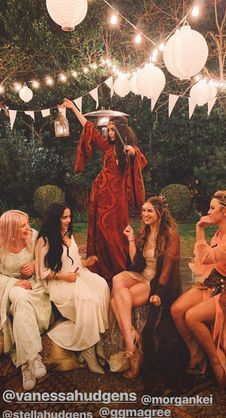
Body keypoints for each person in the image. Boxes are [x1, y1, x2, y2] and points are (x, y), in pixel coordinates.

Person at [60, 98, 147, 282]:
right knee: (99, 230)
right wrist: (73, 108)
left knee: (115, 232)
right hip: (100, 194)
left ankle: (118, 267)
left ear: (122, 131)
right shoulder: (107, 146)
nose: (110, 131)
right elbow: (89, 128)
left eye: (113, 129)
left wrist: (132, 152)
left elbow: (141, 161)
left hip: (117, 198)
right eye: (109, 128)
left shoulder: (127, 150)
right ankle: (100, 265)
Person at [111, 195, 182, 378]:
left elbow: (166, 270)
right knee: (118, 280)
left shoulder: (170, 235)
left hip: (155, 281)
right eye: (143, 210)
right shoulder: (145, 231)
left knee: (114, 302)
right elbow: (137, 262)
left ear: (160, 212)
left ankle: (133, 351)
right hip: (142, 276)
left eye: (149, 210)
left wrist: (158, 293)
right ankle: (130, 337)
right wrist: (131, 239)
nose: (145, 214)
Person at [35, 202, 110, 374]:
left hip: (78, 274)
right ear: (55, 218)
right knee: (88, 300)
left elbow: (74, 260)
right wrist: (63, 276)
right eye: (64, 217)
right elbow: (42, 272)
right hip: (59, 282)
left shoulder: (68, 233)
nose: (68, 220)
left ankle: (97, 338)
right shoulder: (44, 240)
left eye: (69, 216)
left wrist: (85, 262)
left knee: (102, 286)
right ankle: (90, 352)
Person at [171, 190, 226, 387]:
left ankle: (215, 361)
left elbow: (207, 257)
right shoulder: (219, 233)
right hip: (217, 282)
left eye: (212, 208)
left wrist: (199, 229)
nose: (208, 211)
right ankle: (195, 353)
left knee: (192, 316)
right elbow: (203, 259)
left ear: (225, 211)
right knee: (177, 309)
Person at [0, 210, 51, 390]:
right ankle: (33, 358)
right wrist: (15, 282)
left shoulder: (34, 236)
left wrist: (35, 263)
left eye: (28, 223)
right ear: (11, 229)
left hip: (34, 285)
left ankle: (24, 366)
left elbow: (45, 258)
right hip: (10, 286)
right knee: (20, 296)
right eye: (23, 225)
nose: (28, 228)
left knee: (22, 305)